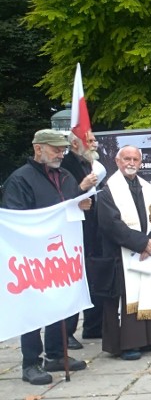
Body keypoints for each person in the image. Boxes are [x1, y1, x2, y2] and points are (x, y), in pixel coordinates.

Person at [2, 129, 96, 384]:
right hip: (32, 256)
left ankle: (56, 354)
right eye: (56, 149)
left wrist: (81, 201)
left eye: (63, 149)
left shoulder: (65, 176)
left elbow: (69, 207)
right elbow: (15, 217)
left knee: (61, 302)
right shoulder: (20, 179)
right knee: (32, 308)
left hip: (61, 253)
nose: (61, 153)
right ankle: (30, 362)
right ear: (38, 148)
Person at [97, 146, 151, 360]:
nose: (131, 162)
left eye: (135, 159)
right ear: (118, 162)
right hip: (120, 254)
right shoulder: (108, 189)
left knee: (147, 290)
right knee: (126, 296)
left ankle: (149, 338)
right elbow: (110, 224)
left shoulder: (147, 187)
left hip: (148, 251)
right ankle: (128, 344)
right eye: (127, 158)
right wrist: (142, 243)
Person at [61, 130, 104, 346]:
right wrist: (81, 190)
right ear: (76, 143)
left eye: (95, 140)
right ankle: (66, 332)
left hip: (93, 230)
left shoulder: (91, 163)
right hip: (74, 234)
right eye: (90, 140)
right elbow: (62, 198)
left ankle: (94, 326)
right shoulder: (66, 165)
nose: (95, 143)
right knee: (75, 280)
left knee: (95, 278)